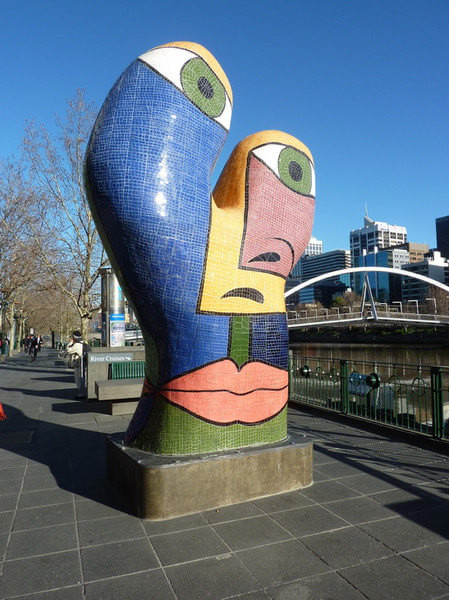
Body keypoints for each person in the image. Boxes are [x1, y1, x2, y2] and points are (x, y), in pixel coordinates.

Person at [67, 331, 87, 398]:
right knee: (82, 377)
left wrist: (70, 343)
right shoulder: (83, 343)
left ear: (74, 337)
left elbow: (68, 350)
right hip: (83, 363)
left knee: (78, 378)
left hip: (78, 363)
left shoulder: (77, 345)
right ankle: (82, 393)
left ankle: (81, 394)